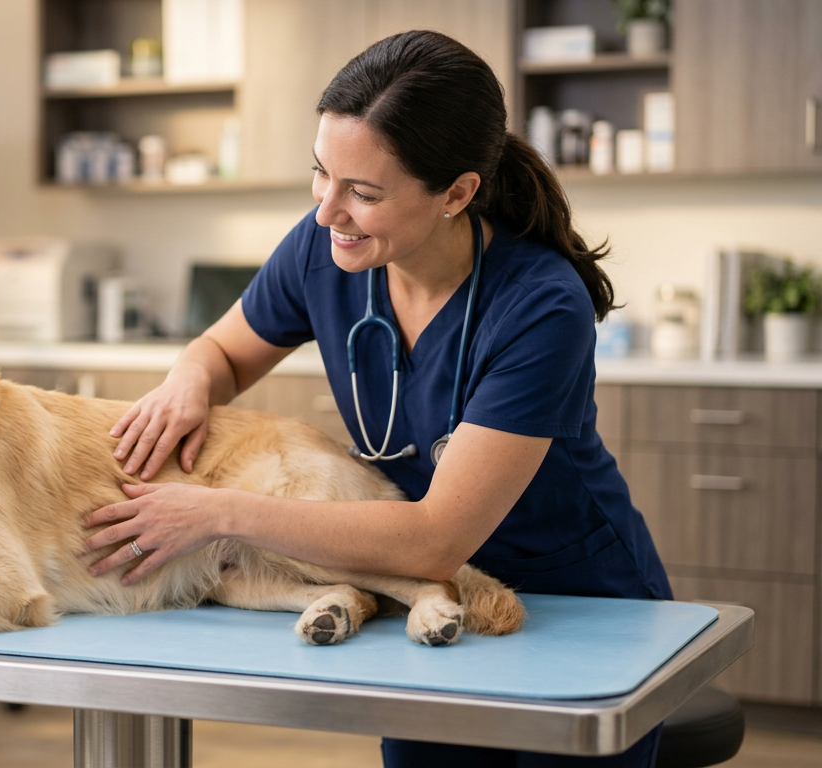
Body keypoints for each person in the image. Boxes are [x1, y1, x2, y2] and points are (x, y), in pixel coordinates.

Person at [81, 30, 673, 767]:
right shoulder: (325, 249)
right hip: (422, 596)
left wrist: (219, 514)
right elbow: (225, 352)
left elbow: (436, 536)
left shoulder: (538, 307)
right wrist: (187, 379)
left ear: (457, 193)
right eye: (321, 175)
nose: (329, 211)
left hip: (574, 605)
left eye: (363, 192)